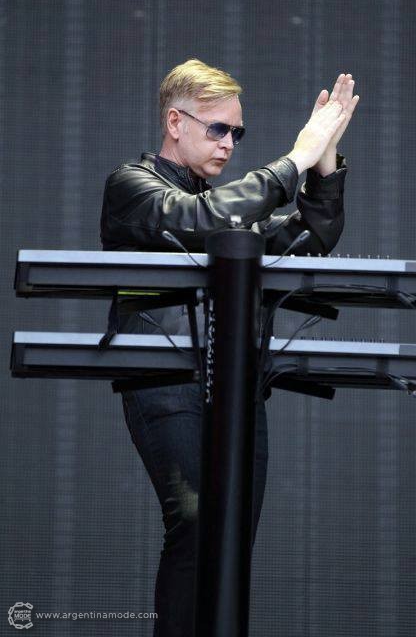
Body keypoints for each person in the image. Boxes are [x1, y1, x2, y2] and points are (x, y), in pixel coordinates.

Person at [100, 58, 359, 636]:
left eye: (237, 133)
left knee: (233, 532)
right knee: (198, 521)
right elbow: (200, 218)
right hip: (166, 381)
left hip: (236, 385)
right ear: (175, 121)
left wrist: (322, 164)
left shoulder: (231, 209)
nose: (229, 144)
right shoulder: (132, 185)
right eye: (218, 128)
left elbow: (307, 238)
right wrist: (293, 158)